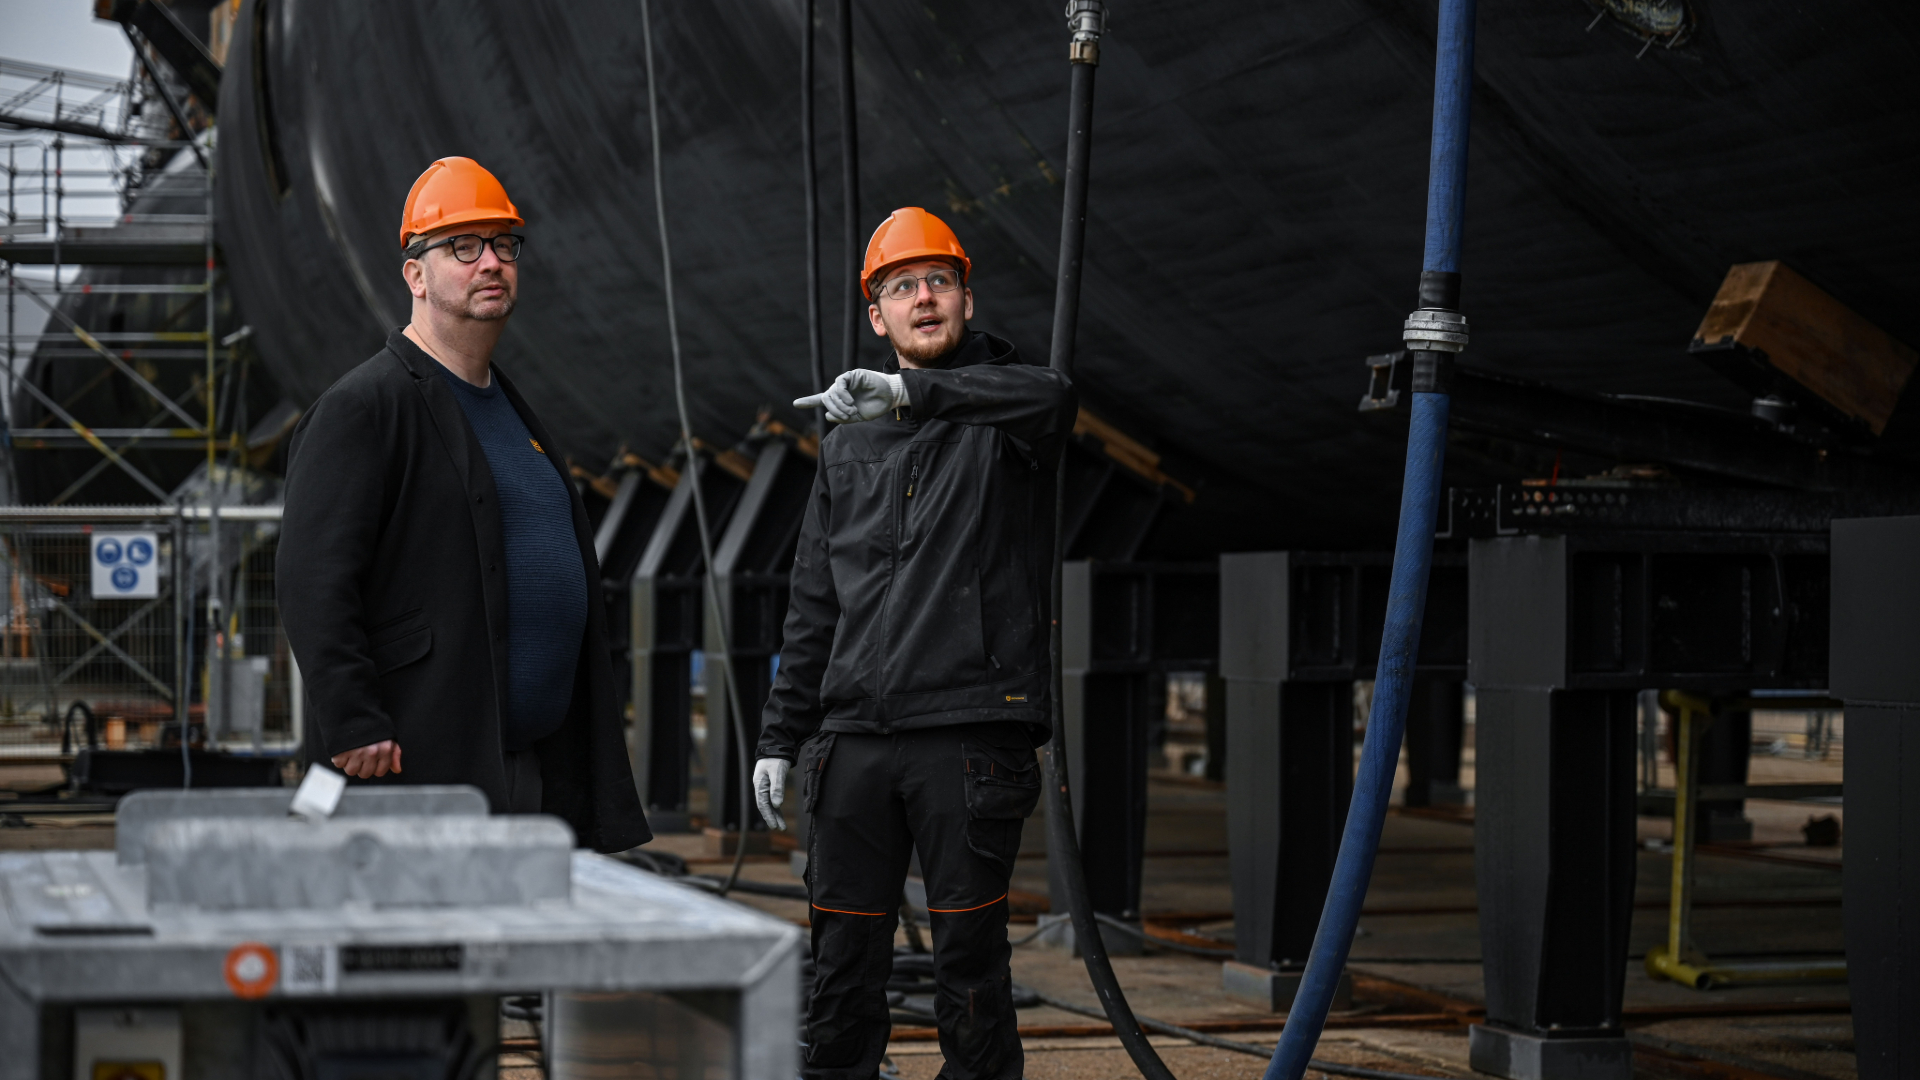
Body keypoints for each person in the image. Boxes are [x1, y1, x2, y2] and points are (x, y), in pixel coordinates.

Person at [754, 207, 1077, 1080]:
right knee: (840, 973)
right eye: (902, 287)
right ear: (877, 315)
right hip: (854, 741)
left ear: (966, 298)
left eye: (938, 282)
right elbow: (814, 603)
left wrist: (910, 393)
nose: (923, 298)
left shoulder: (1009, 415)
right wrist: (783, 738)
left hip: (967, 735)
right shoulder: (847, 440)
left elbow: (1054, 397)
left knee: (969, 969)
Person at [277, 156, 649, 853]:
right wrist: (353, 717)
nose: (491, 263)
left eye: (504, 245)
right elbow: (312, 578)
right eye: (463, 247)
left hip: (531, 766)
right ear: (415, 274)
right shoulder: (364, 409)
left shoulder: (508, 408)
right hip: (422, 769)